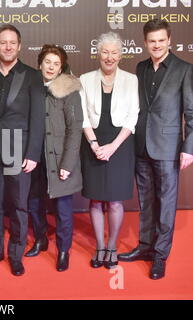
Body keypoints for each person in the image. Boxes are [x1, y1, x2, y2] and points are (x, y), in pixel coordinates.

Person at [118, 19, 193, 280]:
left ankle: (160, 256)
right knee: (146, 202)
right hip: (141, 146)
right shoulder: (140, 68)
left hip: (169, 147)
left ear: (169, 41)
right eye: (152, 41)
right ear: (145, 42)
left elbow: (191, 113)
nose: (157, 45)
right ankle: (145, 247)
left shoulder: (184, 69)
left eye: (162, 40)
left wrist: (189, 148)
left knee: (166, 204)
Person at [0, 24, 45, 276]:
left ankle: (16, 254)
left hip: (20, 149)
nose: (7, 46)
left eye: (12, 42)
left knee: (18, 204)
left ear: (19, 46)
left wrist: (32, 153)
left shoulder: (32, 75)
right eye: (2, 42)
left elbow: (38, 117)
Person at [79, 32, 139, 269]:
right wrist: (94, 145)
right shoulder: (84, 79)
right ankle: (99, 247)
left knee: (114, 202)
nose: (110, 57)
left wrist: (112, 147)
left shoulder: (131, 80)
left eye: (114, 52)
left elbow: (133, 116)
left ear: (121, 55)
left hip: (120, 145)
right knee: (95, 200)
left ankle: (112, 246)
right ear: (98, 53)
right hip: (93, 142)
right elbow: (82, 115)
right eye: (105, 51)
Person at [25, 45, 83, 272]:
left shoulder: (69, 90)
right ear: (40, 64)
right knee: (33, 203)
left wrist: (67, 164)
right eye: (47, 62)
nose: (50, 67)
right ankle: (40, 239)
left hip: (60, 160)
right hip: (36, 157)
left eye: (56, 63)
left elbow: (75, 129)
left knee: (63, 209)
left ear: (61, 67)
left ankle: (63, 250)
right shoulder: (32, 88)